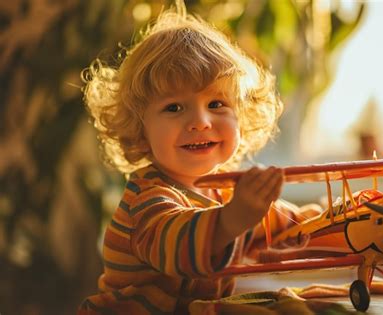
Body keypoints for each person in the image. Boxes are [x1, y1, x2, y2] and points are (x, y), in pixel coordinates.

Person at [78, 3, 321, 314]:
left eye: (217, 103)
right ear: (140, 132)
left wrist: (335, 221)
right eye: (174, 108)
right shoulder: (146, 200)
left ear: (241, 117)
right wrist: (233, 219)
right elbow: (180, 245)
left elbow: (283, 225)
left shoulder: (227, 192)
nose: (201, 122)